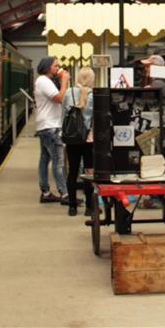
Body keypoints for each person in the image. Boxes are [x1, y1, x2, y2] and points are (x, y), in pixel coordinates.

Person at [34, 56, 69, 204]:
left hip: (46, 125)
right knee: (58, 160)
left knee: (45, 159)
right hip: (50, 126)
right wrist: (65, 80)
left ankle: (46, 192)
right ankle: (65, 194)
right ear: (48, 67)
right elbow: (60, 98)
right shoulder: (43, 81)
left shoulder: (43, 81)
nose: (58, 67)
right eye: (55, 65)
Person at [62, 66, 95, 217]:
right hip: (89, 140)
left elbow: (63, 115)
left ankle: (72, 207)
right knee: (89, 172)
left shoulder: (69, 93)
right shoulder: (94, 95)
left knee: (72, 172)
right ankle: (89, 207)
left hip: (72, 139)